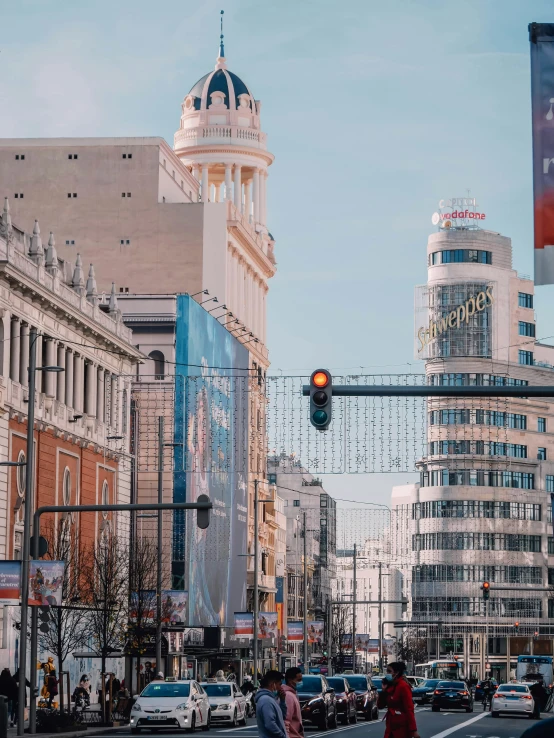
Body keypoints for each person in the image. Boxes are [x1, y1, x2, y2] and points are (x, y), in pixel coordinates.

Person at [377, 661, 420, 738]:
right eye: (387, 671)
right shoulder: (390, 685)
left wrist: (414, 730)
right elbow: (380, 705)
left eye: (389, 671)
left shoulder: (403, 686)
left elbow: (409, 709)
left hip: (402, 728)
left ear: (396, 673)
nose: (387, 673)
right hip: (391, 726)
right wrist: (383, 692)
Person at [255, 670, 287, 738]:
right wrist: (282, 736)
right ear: (273, 684)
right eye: (279, 684)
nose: (281, 688)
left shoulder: (271, 699)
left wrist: (282, 701)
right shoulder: (266, 700)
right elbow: (270, 724)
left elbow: (282, 717)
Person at [282, 667, 303, 738]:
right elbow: (286, 720)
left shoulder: (293, 694)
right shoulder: (288, 696)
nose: (301, 682)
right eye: (299, 680)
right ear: (290, 680)